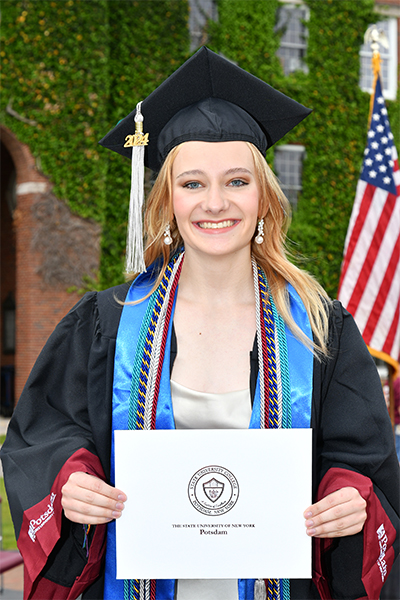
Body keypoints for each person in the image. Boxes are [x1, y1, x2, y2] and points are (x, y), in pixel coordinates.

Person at [1, 47, 399, 600]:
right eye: (192, 184)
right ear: (166, 199)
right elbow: (43, 438)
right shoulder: (106, 323)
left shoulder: (318, 329)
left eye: (237, 181)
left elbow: (363, 462)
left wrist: (349, 497)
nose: (215, 203)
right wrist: (70, 484)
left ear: (265, 198)